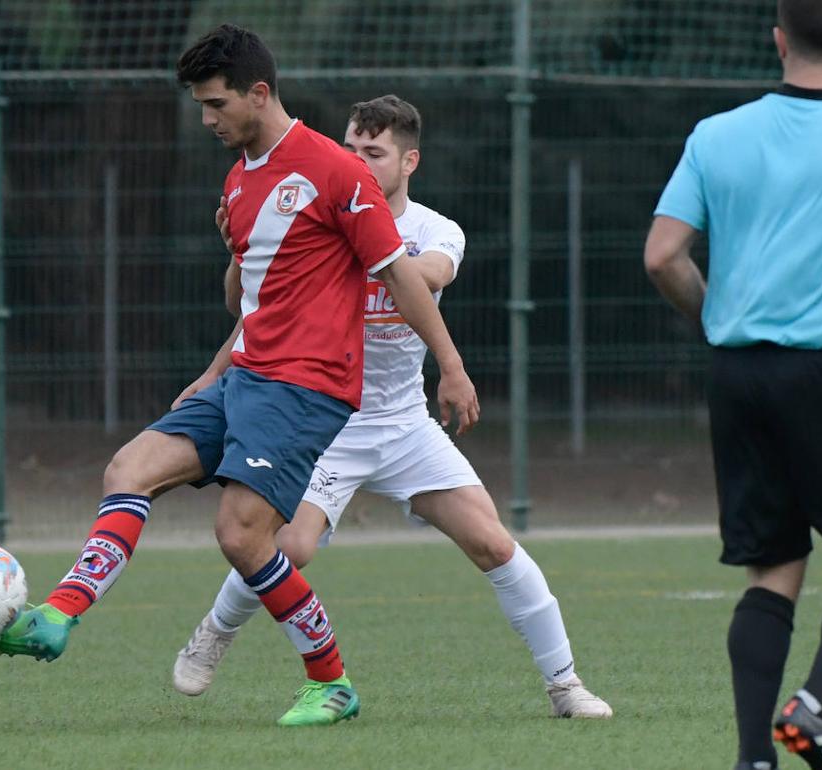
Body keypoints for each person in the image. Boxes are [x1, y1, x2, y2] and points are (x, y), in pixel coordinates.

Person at [0, 25, 480, 728]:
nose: (207, 119)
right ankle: (58, 616)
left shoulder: (334, 170)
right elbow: (247, 296)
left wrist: (453, 369)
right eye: (201, 106)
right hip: (245, 375)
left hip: (307, 387)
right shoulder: (241, 177)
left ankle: (331, 682)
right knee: (131, 467)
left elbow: (399, 276)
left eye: (216, 104)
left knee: (241, 536)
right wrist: (212, 368)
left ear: (259, 92)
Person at [169, 95, 612, 719]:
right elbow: (249, 308)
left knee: (493, 543)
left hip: (405, 425)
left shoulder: (434, 229)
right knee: (287, 547)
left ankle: (566, 686)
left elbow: (428, 273)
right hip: (326, 418)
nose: (357, 161)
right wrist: (240, 264)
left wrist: (371, 256)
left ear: (409, 161)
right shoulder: (318, 217)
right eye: (350, 148)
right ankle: (216, 630)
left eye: (373, 153)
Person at [644, 2, 822, 768]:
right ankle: (814, 707)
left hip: (738, 377)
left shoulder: (716, 136)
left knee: (773, 566)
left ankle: (752, 759)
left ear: (778, 40)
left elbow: (662, 255)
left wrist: (718, 317)